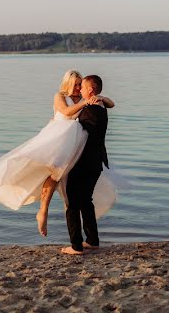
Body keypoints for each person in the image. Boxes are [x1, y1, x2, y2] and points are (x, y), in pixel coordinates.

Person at [0, 70, 120, 237]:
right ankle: (43, 212)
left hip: (75, 143)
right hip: (58, 139)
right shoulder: (61, 96)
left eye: (80, 84)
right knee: (54, 175)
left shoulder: (86, 98)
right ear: (68, 83)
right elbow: (66, 112)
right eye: (76, 84)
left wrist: (100, 98)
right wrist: (86, 102)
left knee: (69, 189)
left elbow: (110, 103)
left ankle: (80, 235)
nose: (78, 87)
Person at [61, 74, 109, 255]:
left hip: (83, 163)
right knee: (86, 201)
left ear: (90, 90)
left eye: (83, 87)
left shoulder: (90, 111)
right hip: (96, 162)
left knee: (72, 203)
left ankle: (75, 246)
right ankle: (92, 240)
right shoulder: (102, 107)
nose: (80, 90)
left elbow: (78, 135)